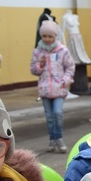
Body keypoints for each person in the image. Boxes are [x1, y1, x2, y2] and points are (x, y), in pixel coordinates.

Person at [30, 19, 76, 154]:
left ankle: (59, 138)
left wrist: (65, 81)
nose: (47, 39)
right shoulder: (38, 52)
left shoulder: (63, 51)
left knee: (58, 113)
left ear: (55, 36)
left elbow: (70, 67)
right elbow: (33, 70)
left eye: (50, 36)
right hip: (44, 90)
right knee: (49, 116)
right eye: (44, 36)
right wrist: (40, 64)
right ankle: (52, 139)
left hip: (59, 88)